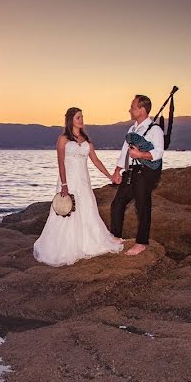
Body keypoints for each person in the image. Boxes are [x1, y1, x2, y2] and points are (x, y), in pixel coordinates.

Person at [33, 107, 124, 266]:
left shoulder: (87, 141)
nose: (81, 120)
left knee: (87, 209)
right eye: (78, 118)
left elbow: (96, 161)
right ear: (70, 120)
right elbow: (61, 163)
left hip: (84, 182)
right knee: (67, 212)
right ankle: (63, 247)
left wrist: (110, 176)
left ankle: (87, 243)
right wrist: (64, 184)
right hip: (69, 181)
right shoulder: (63, 139)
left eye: (82, 117)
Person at [109, 95, 165, 256]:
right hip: (131, 171)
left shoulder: (155, 130)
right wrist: (117, 171)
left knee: (142, 206)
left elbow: (158, 153)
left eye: (132, 107)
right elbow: (124, 151)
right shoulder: (132, 129)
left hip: (146, 172)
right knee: (117, 203)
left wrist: (140, 154)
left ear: (142, 109)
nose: (130, 110)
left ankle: (141, 243)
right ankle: (117, 236)